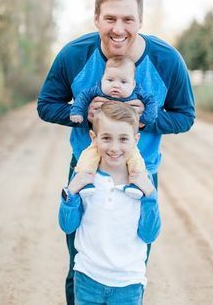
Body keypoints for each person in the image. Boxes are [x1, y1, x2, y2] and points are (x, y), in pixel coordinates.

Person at [37, 0, 195, 304]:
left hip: (140, 172)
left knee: (133, 261)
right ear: (96, 18)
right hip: (87, 170)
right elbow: (46, 104)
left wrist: (148, 119)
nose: (118, 28)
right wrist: (78, 113)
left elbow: (185, 115)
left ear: (140, 20)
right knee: (80, 260)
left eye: (127, 19)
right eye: (110, 18)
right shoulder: (74, 55)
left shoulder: (167, 61)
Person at [59, 101, 161, 305]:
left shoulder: (142, 184)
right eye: (106, 138)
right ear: (93, 138)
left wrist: (150, 195)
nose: (114, 147)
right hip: (87, 278)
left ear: (135, 140)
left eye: (123, 139)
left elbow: (149, 234)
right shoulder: (85, 179)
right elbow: (67, 225)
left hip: (128, 283)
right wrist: (71, 192)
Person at [70, 55, 158, 199]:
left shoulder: (137, 93)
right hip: (101, 140)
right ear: (102, 79)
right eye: (110, 80)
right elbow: (82, 97)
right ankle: (85, 182)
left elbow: (152, 102)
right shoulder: (97, 90)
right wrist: (77, 111)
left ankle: (136, 184)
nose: (116, 85)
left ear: (133, 84)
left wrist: (145, 119)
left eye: (123, 82)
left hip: (125, 141)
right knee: (88, 156)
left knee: (136, 160)